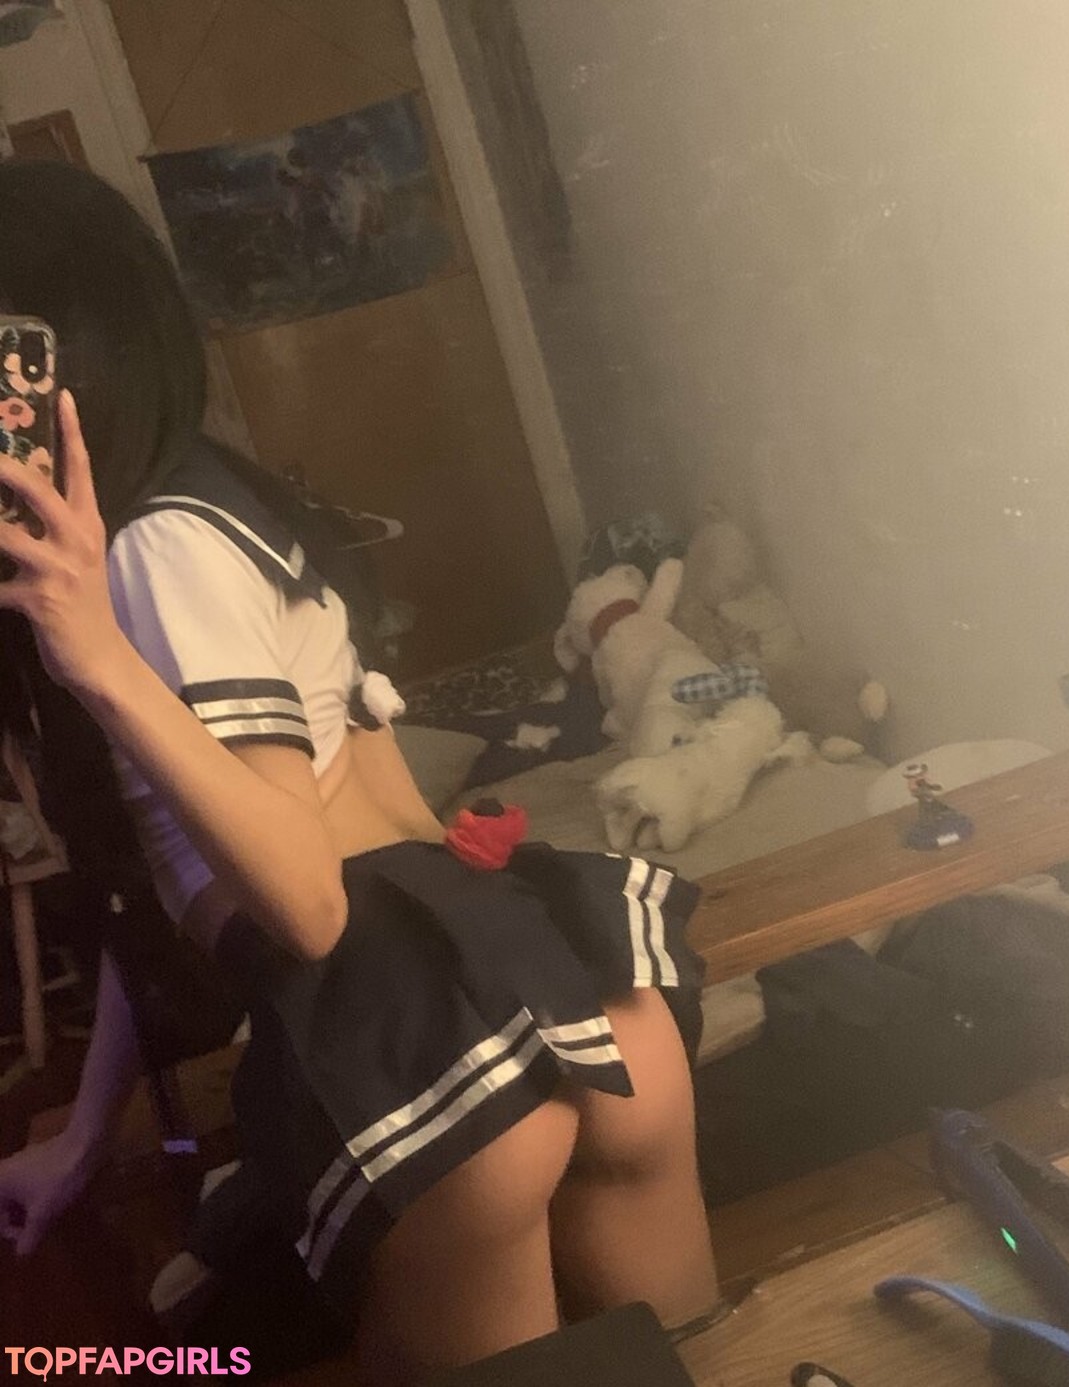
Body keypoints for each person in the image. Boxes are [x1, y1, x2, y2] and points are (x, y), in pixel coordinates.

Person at [0, 161, 719, 1381]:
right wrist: (83, 1133)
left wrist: (97, 660)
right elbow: (171, 874)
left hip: (418, 1047)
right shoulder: (217, 502)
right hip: (549, 984)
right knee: (687, 1365)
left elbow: (307, 902)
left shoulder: (152, 554)